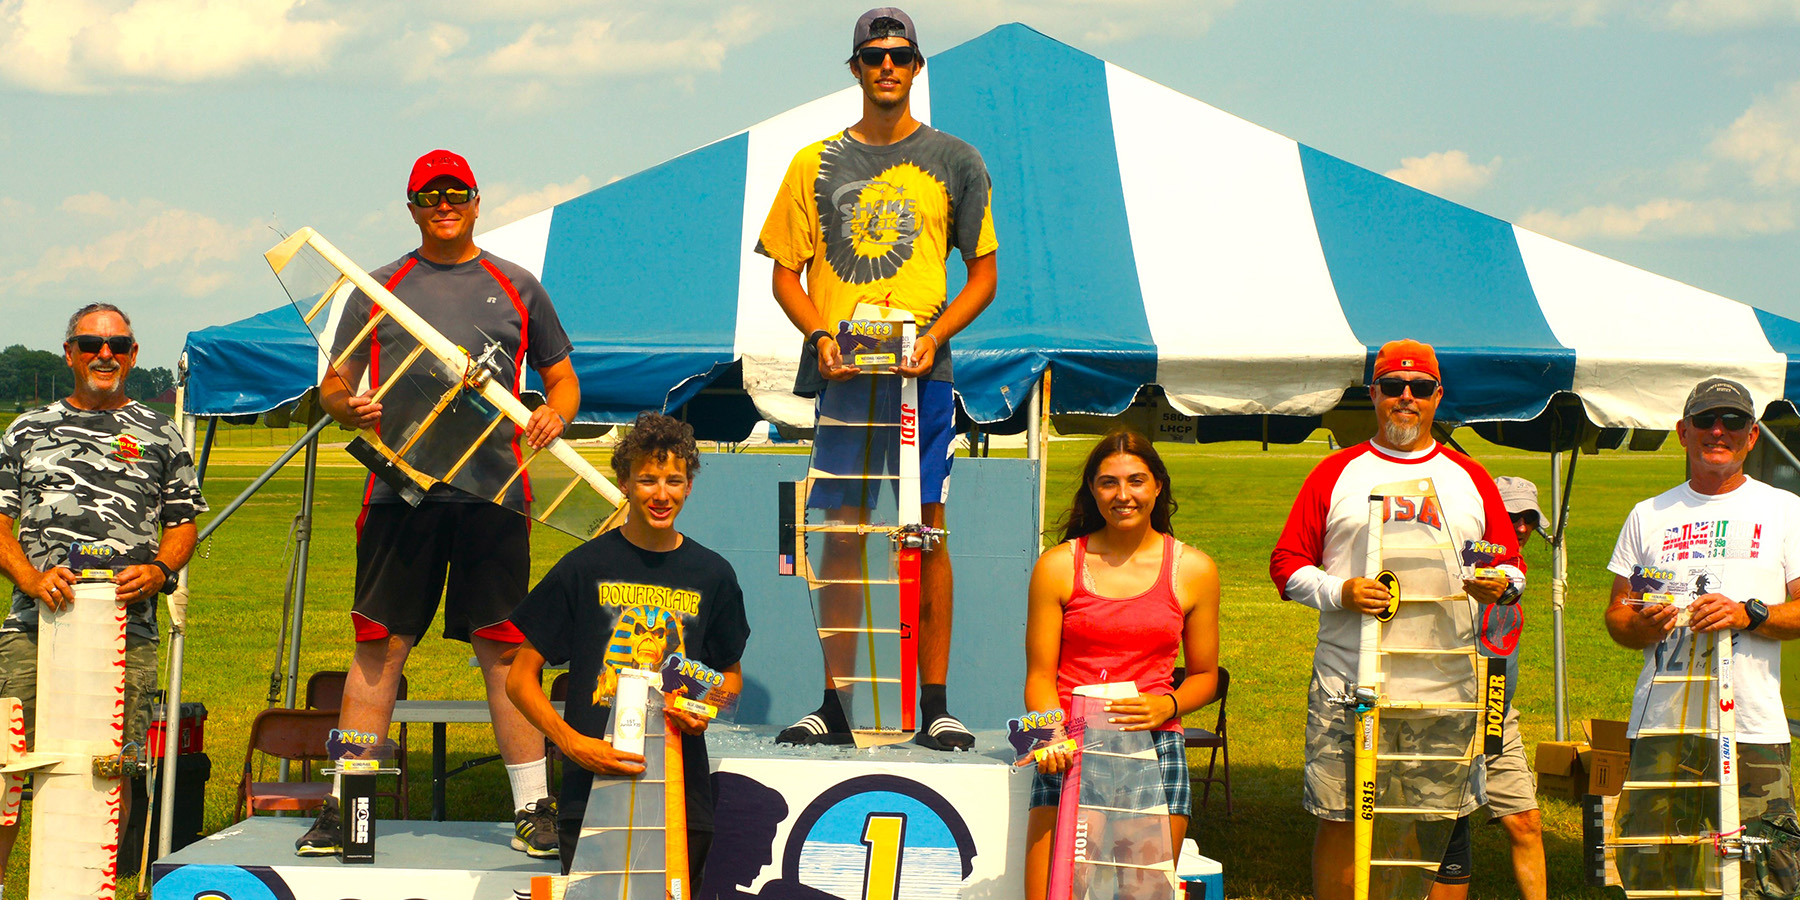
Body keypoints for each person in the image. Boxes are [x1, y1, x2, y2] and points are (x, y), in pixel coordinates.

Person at [297, 149, 580, 858]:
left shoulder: (517, 286)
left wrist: (556, 416)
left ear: (478, 202)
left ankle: (533, 808)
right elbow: (335, 386)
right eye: (429, 196)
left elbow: (564, 381)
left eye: (456, 194)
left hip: (494, 493)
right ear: (412, 206)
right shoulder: (377, 288)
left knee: (504, 647)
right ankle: (346, 811)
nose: (443, 205)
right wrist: (346, 407)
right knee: (378, 648)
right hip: (401, 492)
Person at [757, 7, 998, 750]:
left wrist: (935, 337)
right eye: (874, 56)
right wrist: (821, 334)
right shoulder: (812, 162)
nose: (887, 66)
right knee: (838, 533)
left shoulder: (957, 158)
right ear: (856, 68)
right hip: (844, 373)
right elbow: (784, 277)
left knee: (926, 531)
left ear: (917, 67)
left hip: (919, 374)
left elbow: (984, 275)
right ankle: (833, 702)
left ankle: (936, 704)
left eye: (900, 55)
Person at [1268, 339, 1523, 900]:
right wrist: (1341, 590)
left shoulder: (1469, 476)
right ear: (1373, 395)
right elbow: (1286, 567)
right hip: (1349, 684)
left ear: (1438, 397)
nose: (1406, 399)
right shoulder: (1337, 472)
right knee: (1339, 816)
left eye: (1421, 388)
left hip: (1443, 686)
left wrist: (1500, 584)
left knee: (1441, 821)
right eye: (1392, 387)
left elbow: (1511, 565)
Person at [0, 303, 206, 887]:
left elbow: (183, 522)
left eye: (118, 345)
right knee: (8, 767)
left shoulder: (160, 433)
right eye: (90, 344)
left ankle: (93, 885)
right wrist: (30, 579)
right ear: (70, 354)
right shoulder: (26, 430)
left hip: (126, 629)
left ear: (134, 355)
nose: (104, 355)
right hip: (34, 625)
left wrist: (162, 570)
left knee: (110, 770)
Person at [506, 412, 750, 879]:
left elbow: (730, 686)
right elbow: (519, 679)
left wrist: (705, 708)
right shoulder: (584, 567)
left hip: (680, 797)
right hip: (590, 794)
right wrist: (573, 744)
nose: (662, 494)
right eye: (647, 480)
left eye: (674, 481)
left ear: (689, 486)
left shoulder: (713, 575)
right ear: (624, 483)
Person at [1605, 377, 1800, 895]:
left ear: (1752, 435)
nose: (1719, 431)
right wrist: (1641, 622)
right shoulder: (1650, 516)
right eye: (1706, 420)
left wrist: (1748, 614)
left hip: (1752, 723)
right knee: (1655, 864)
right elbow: (1619, 616)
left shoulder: (1784, 510)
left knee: (1763, 870)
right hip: (1664, 722)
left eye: (1733, 421)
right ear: (1682, 432)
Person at [1021, 430, 1220, 900]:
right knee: (1058, 892)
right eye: (1109, 483)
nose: (1123, 495)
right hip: (1069, 749)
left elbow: (1206, 677)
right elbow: (1039, 677)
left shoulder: (1194, 569)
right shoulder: (1057, 565)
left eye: (1136, 481)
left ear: (1157, 486)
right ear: (1093, 489)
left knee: (1142, 895)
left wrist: (1166, 705)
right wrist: (1047, 735)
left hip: (1153, 748)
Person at [1425, 475, 1549, 900]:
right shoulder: (1459, 567)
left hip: (1497, 712)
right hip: (1445, 712)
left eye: (1529, 519)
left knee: (1526, 820)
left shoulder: (1515, 571)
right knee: (1441, 829)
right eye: (1512, 516)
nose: (1520, 527)